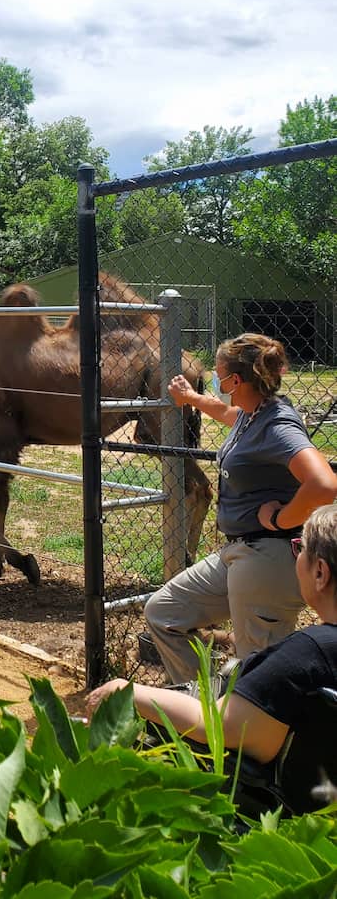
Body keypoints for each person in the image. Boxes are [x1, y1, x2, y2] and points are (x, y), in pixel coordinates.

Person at [87, 504, 337, 816]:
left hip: (274, 809)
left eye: (299, 547)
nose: (295, 555)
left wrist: (124, 690)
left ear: (320, 572)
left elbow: (218, 728)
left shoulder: (308, 654)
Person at [143, 332, 337, 683]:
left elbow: (324, 485)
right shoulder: (253, 413)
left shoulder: (277, 424)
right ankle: (204, 711)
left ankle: (246, 732)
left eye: (218, 373)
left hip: (268, 560)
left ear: (236, 379)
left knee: (260, 672)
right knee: (164, 612)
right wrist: (191, 398)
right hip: (238, 552)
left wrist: (280, 519)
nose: (215, 379)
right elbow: (228, 413)